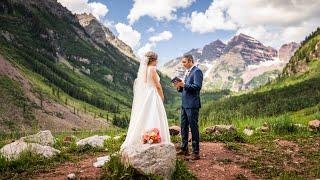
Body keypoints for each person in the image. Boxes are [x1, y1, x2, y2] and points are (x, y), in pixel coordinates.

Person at [120, 51, 171, 149]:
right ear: (153, 60)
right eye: (156, 60)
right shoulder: (152, 69)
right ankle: (155, 136)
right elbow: (157, 85)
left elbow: (144, 83)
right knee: (154, 113)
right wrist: (162, 96)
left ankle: (147, 136)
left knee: (145, 113)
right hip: (153, 93)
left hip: (147, 93)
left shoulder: (145, 69)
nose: (157, 62)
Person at [174, 54, 203, 160]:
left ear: (190, 61)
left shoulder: (197, 71)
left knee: (193, 128)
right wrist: (179, 87)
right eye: (182, 62)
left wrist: (184, 85)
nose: (183, 64)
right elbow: (185, 89)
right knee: (183, 127)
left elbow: (197, 87)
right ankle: (184, 148)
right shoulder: (187, 72)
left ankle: (196, 152)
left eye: (184, 62)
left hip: (192, 105)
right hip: (184, 104)